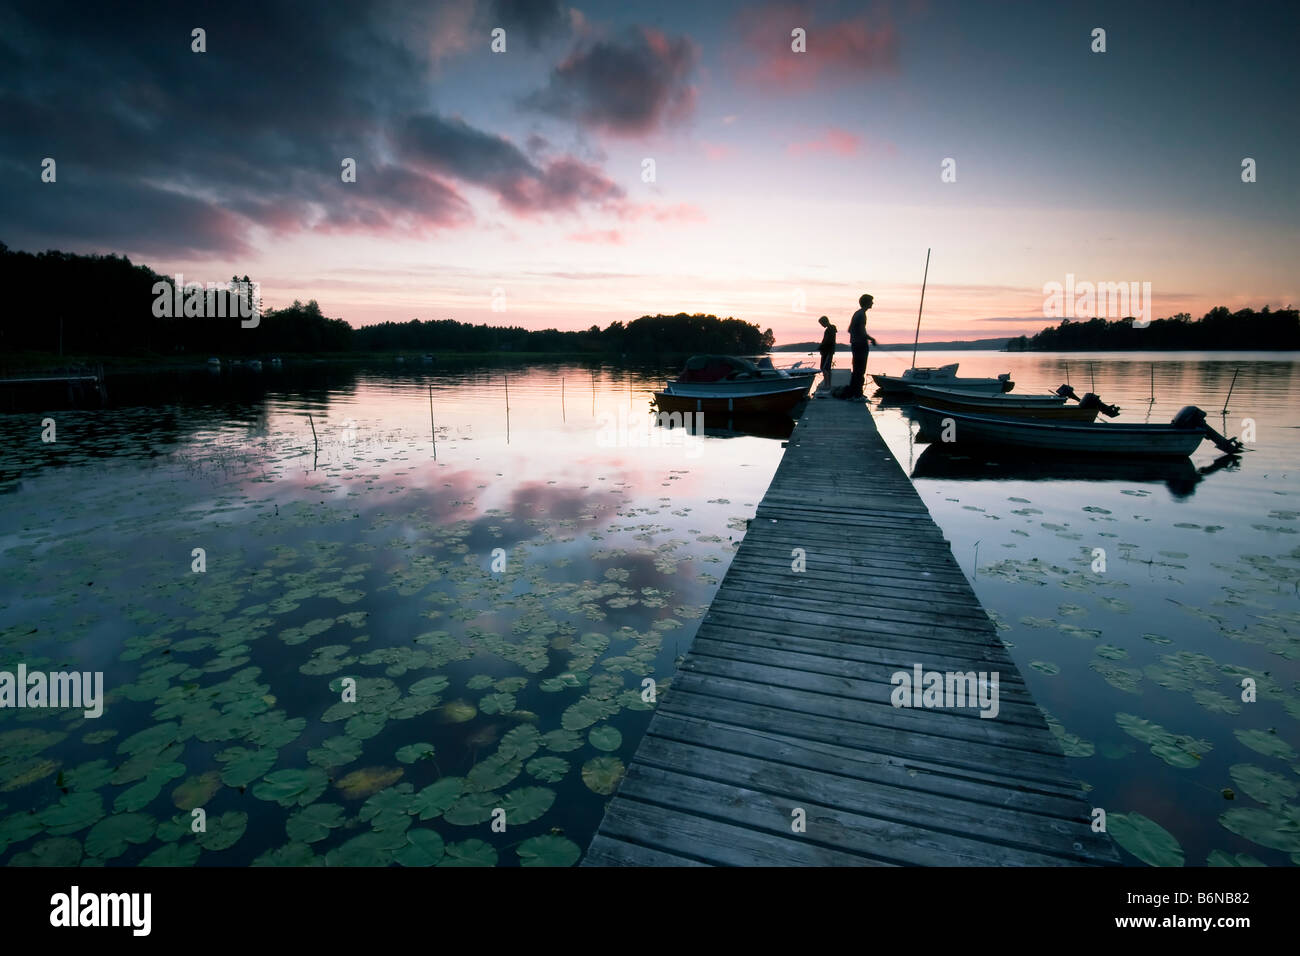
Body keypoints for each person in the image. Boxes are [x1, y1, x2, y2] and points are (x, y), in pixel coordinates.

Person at [838, 293, 878, 400]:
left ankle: (855, 393)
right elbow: (861, 330)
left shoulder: (857, 313)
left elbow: (850, 329)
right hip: (860, 345)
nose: (873, 303)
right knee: (860, 370)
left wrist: (857, 337)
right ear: (867, 302)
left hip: (855, 344)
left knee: (857, 369)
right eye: (871, 301)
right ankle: (857, 395)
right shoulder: (861, 315)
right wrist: (871, 339)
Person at [816, 315, 836, 396]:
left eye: (821, 323)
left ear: (825, 322)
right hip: (827, 351)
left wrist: (820, 347)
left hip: (827, 351)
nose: (821, 325)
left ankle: (827, 385)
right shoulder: (831, 328)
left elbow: (827, 341)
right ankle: (828, 385)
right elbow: (827, 340)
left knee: (824, 368)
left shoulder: (830, 329)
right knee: (827, 368)